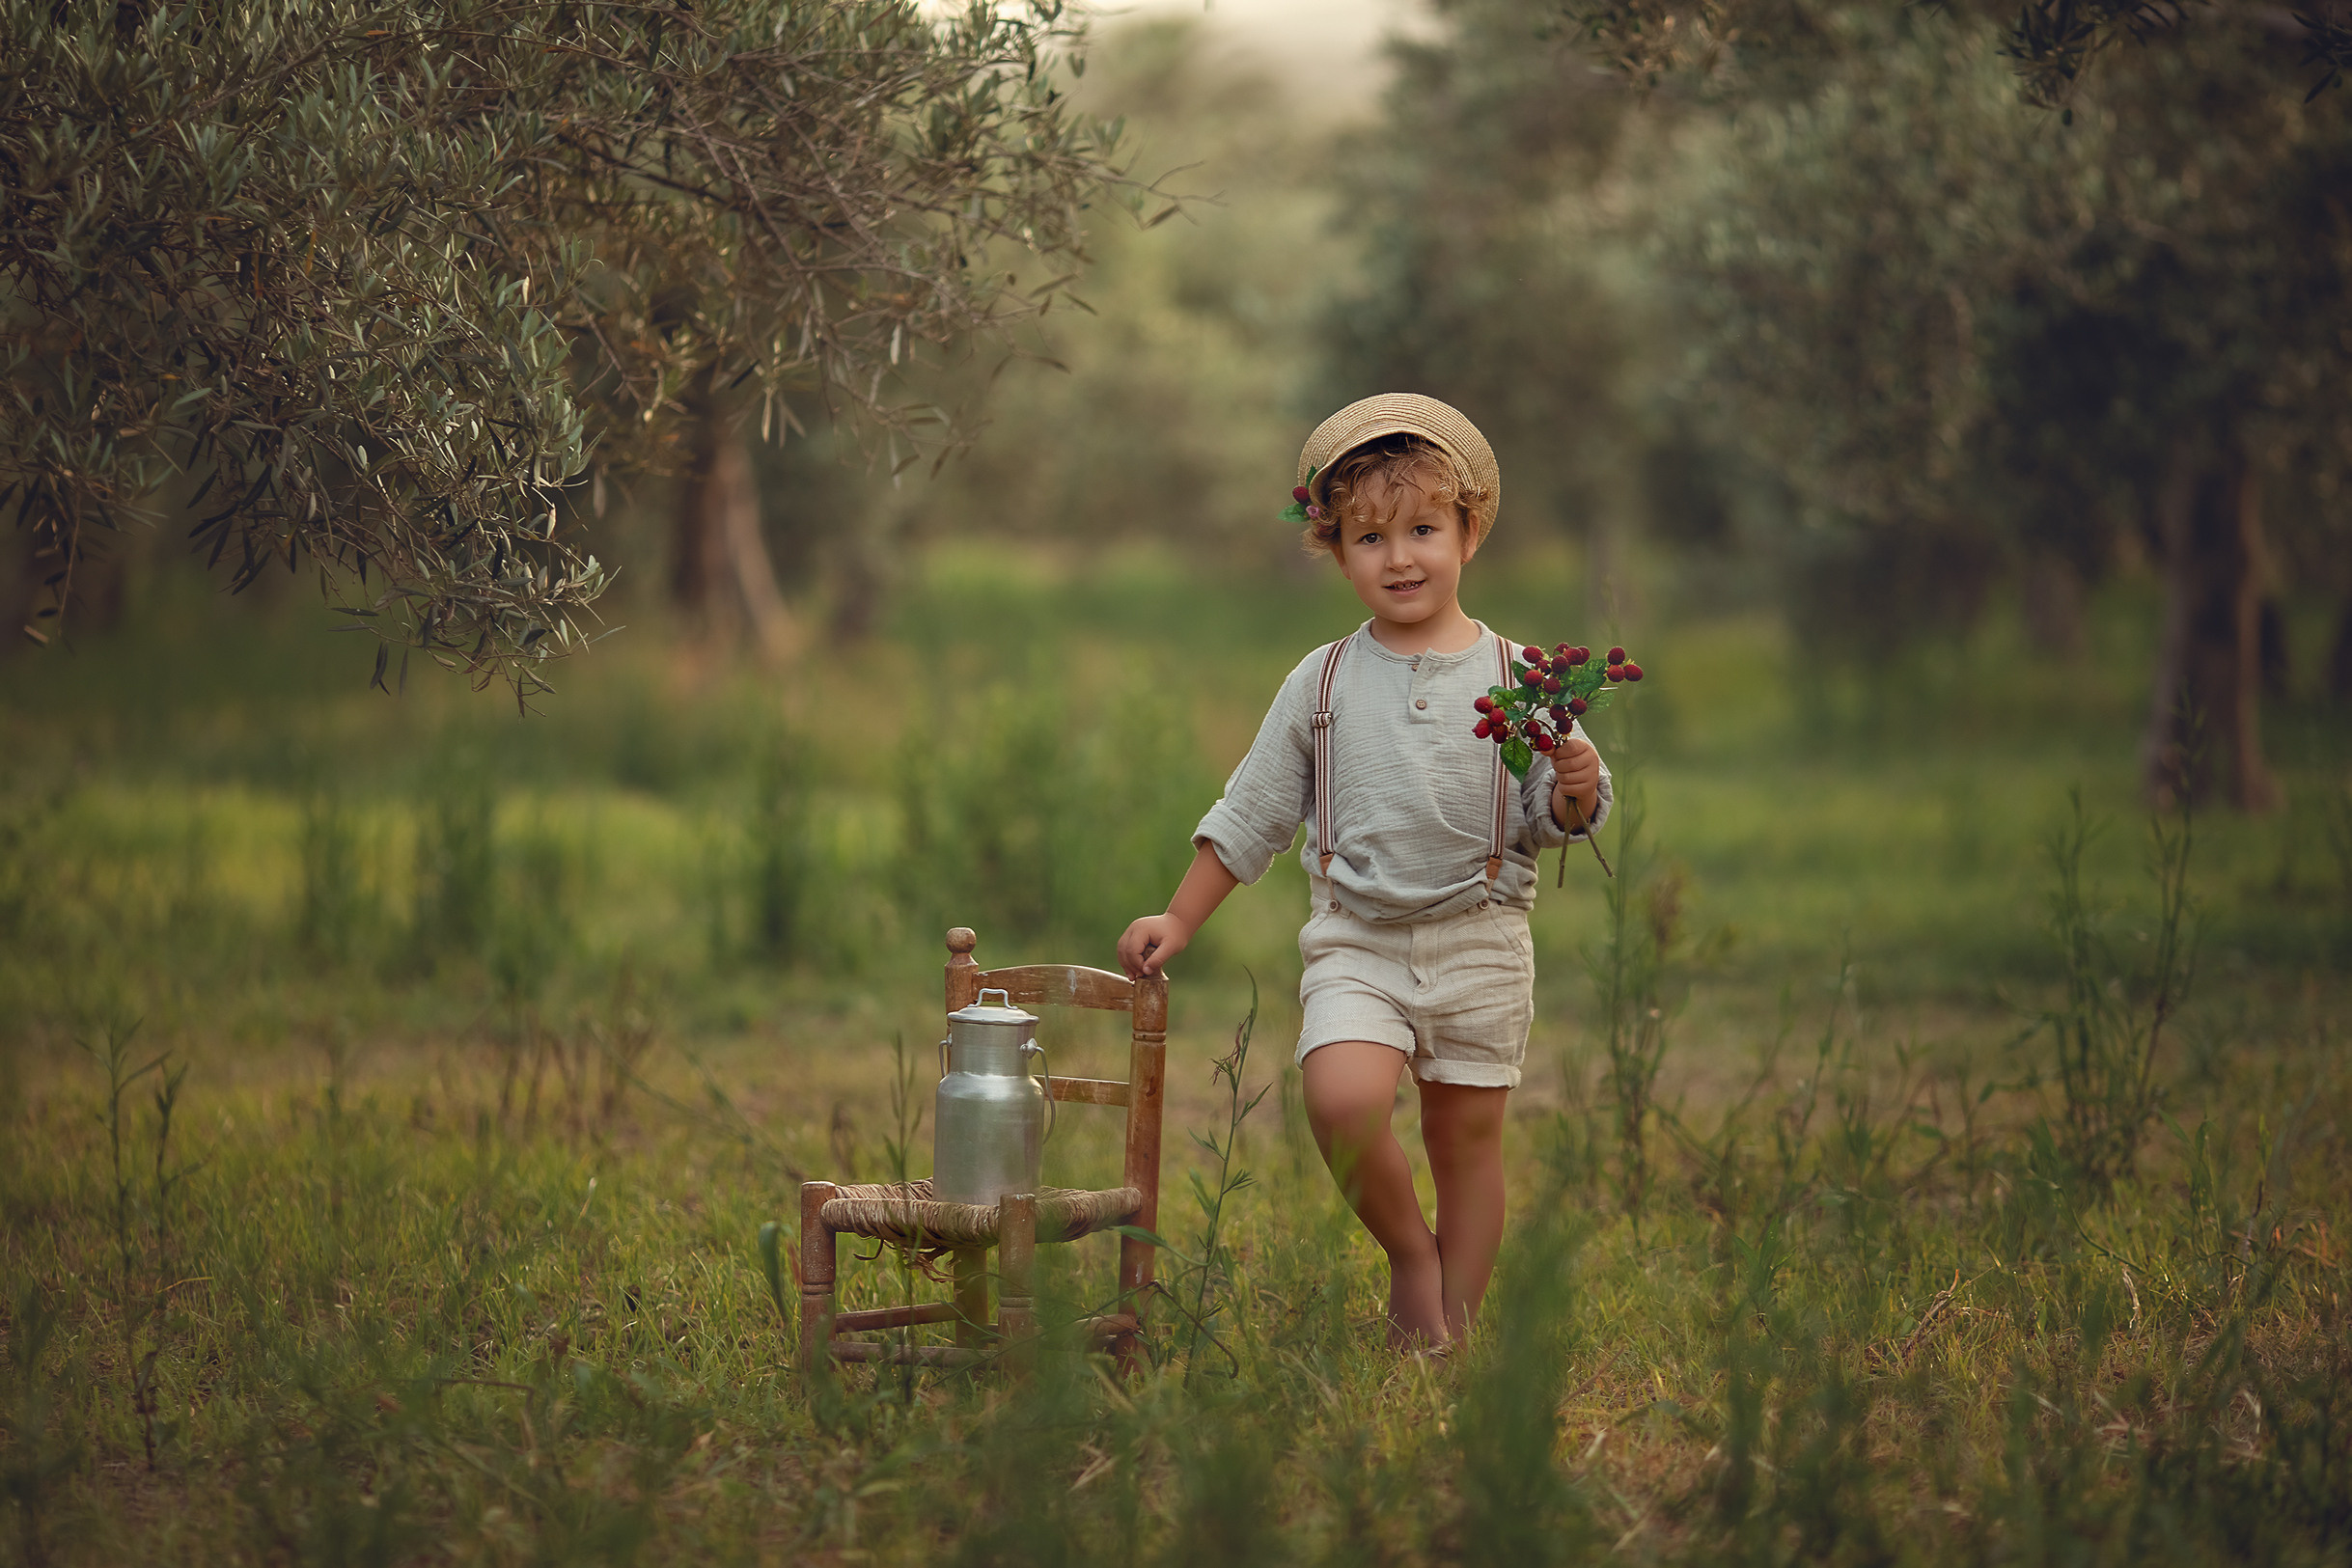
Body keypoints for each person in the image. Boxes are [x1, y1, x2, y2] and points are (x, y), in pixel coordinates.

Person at [1117, 393, 1611, 1349]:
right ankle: (1410, 1255)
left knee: (1465, 1143)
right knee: (1342, 1100)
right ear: (1334, 548)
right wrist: (1178, 921)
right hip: (1358, 937)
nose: (1398, 556)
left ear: (1468, 532)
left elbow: (1560, 818)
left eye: (1422, 528)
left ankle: (1444, 1333)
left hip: (1482, 936)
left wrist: (1579, 784)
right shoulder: (1323, 679)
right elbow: (1252, 808)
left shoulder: (1522, 676)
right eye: (1368, 536)